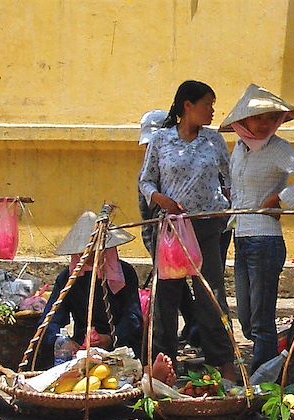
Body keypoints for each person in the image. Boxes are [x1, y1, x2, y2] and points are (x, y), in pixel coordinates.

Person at [218, 84, 294, 374]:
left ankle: (261, 378)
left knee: (262, 319)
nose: (264, 124)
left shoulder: (279, 148)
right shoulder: (238, 149)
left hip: (265, 239)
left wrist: (280, 200)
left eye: (270, 118)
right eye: (258, 118)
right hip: (241, 236)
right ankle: (274, 362)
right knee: (247, 319)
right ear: (243, 122)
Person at [138, 80, 237, 381]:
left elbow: (230, 181)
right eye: (207, 104)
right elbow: (146, 181)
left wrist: (226, 212)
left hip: (207, 227)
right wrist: (160, 199)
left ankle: (223, 362)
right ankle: (161, 364)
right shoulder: (161, 141)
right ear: (188, 106)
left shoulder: (214, 142)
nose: (212, 110)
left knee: (211, 295)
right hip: (170, 228)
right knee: (166, 297)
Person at [37, 212, 142, 369]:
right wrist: (65, 343)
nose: (91, 256)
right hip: (82, 347)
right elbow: (50, 320)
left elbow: (133, 317)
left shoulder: (125, 273)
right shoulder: (69, 278)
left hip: (121, 345)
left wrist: (110, 338)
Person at [137, 109, 200, 349]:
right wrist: (155, 250)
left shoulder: (186, 163)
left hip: (192, 237)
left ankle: (195, 326)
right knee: (169, 288)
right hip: (163, 240)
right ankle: (166, 346)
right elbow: (147, 216)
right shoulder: (146, 175)